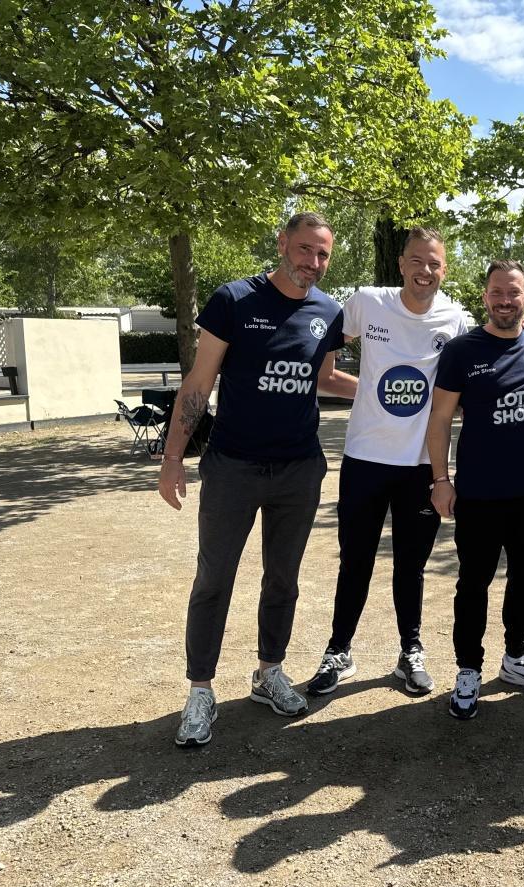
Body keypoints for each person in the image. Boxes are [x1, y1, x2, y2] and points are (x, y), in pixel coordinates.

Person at [157, 211, 357, 747]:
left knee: (283, 580)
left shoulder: (328, 310)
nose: (312, 262)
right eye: (305, 249)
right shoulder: (234, 300)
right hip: (234, 468)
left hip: (298, 469)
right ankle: (200, 690)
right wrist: (174, 456)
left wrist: (399, 394)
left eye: (323, 254)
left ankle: (269, 672)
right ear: (282, 244)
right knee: (213, 580)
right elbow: (198, 384)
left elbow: (329, 378)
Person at [306, 227, 468, 698]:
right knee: (354, 562)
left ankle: (409, 651)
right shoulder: (367, 303)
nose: (425, 271)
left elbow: (488, 359)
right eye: (417, 261)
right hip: (364, 459)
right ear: (401, 264)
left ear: (444, 269)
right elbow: (320, 344)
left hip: (420, 466)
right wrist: (365, 389)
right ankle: (339, 650)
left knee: (410, 566)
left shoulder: (455, 319)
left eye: (434, 263)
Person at [426, 260, 524, 720]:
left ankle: (517, 659)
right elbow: (440, 418)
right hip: (479, 496)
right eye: (496, 293)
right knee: (474, 584)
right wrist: (441, 481)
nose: (505, 301)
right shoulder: (463, 350)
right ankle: (468, 669)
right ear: (484, 297)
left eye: (514, 293)